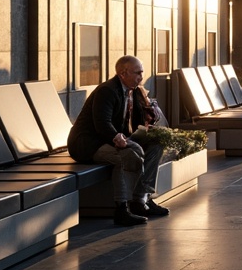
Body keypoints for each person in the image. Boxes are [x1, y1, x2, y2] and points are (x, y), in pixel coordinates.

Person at [67, 55, 168, 226]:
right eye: (138, 73)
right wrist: (116, 137)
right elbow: (102, 123)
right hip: (90, 143)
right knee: (127, 155)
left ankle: (140, 199)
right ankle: (121, 209)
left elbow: (136, 123)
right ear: (123, 73)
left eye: (142, 73)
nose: (141, 77)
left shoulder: (134, 91)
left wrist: (149, 119)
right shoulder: (107, 90)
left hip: (113, 138)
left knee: (156, 145)